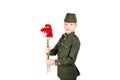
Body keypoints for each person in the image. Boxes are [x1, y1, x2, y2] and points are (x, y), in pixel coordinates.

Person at [45, 13, 81, 80]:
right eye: (66, 24)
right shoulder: (62, 37)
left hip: (69, 74)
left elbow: (71, 60)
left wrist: (54, 62)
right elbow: (55, 50)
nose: (68, 26)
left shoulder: (75, 40)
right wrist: (49, 51)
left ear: (75, 25)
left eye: (71, 24)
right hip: (61, 72)